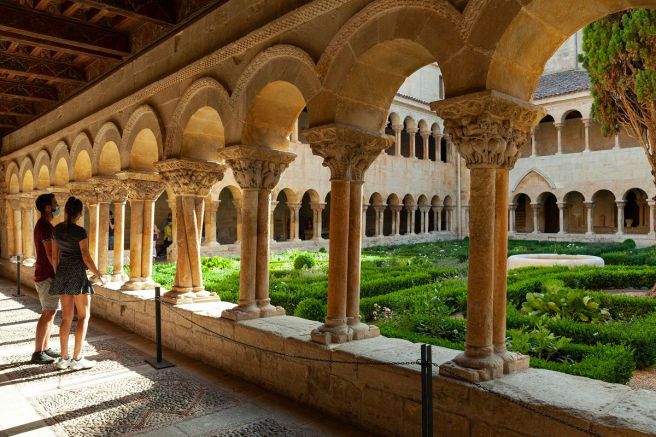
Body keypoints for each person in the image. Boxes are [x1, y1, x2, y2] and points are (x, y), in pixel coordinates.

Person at [50, 197, 105, 371]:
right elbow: (85, 256)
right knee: (83, 316)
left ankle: (63, 358)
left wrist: (59, 273)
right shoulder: (80, 231)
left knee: (66, 318)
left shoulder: (57, 230)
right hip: (77, 274)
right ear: (79, 213)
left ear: (66, 211)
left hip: (62, 273)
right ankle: (77, 358)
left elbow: (53, 256)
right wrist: (98, 274)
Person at [31, 193, 61, 364]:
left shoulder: (45, 225)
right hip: (47, 275)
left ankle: (45, 347)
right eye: (55, 203)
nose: (58, 206)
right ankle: (38, 352)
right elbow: (51, 254)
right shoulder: (45, 227)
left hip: (46, 274)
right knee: (47, 313)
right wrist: (59, 274)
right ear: (48, 207)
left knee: (50, 312)